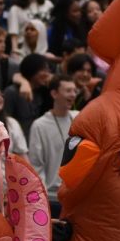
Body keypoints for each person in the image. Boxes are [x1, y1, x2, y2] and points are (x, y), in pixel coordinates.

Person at [27, 74, 79, 216]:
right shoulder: (40, 125)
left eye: (75, 91)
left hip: (76, 195)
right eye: (68, 91)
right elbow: (36, 164)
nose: (73, 94)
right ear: (54, 93)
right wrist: (41, 198)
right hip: (51, 197)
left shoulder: (79, 118)